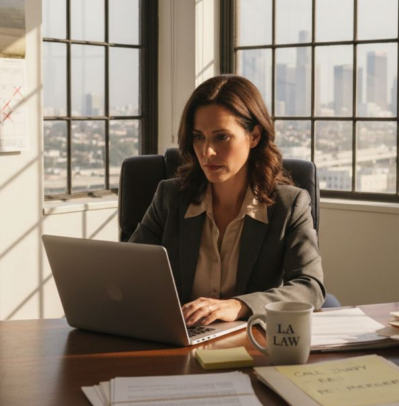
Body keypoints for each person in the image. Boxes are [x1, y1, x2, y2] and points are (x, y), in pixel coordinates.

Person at [129, 75, 325, 326]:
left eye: (222, 137)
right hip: (177, 338)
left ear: (254, 136)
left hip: (250, 340)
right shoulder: (170, 198)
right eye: (199, 136)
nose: (207, 151)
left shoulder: (289, 205)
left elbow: (310, 287)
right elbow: (131, 274)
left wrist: (239, 305)